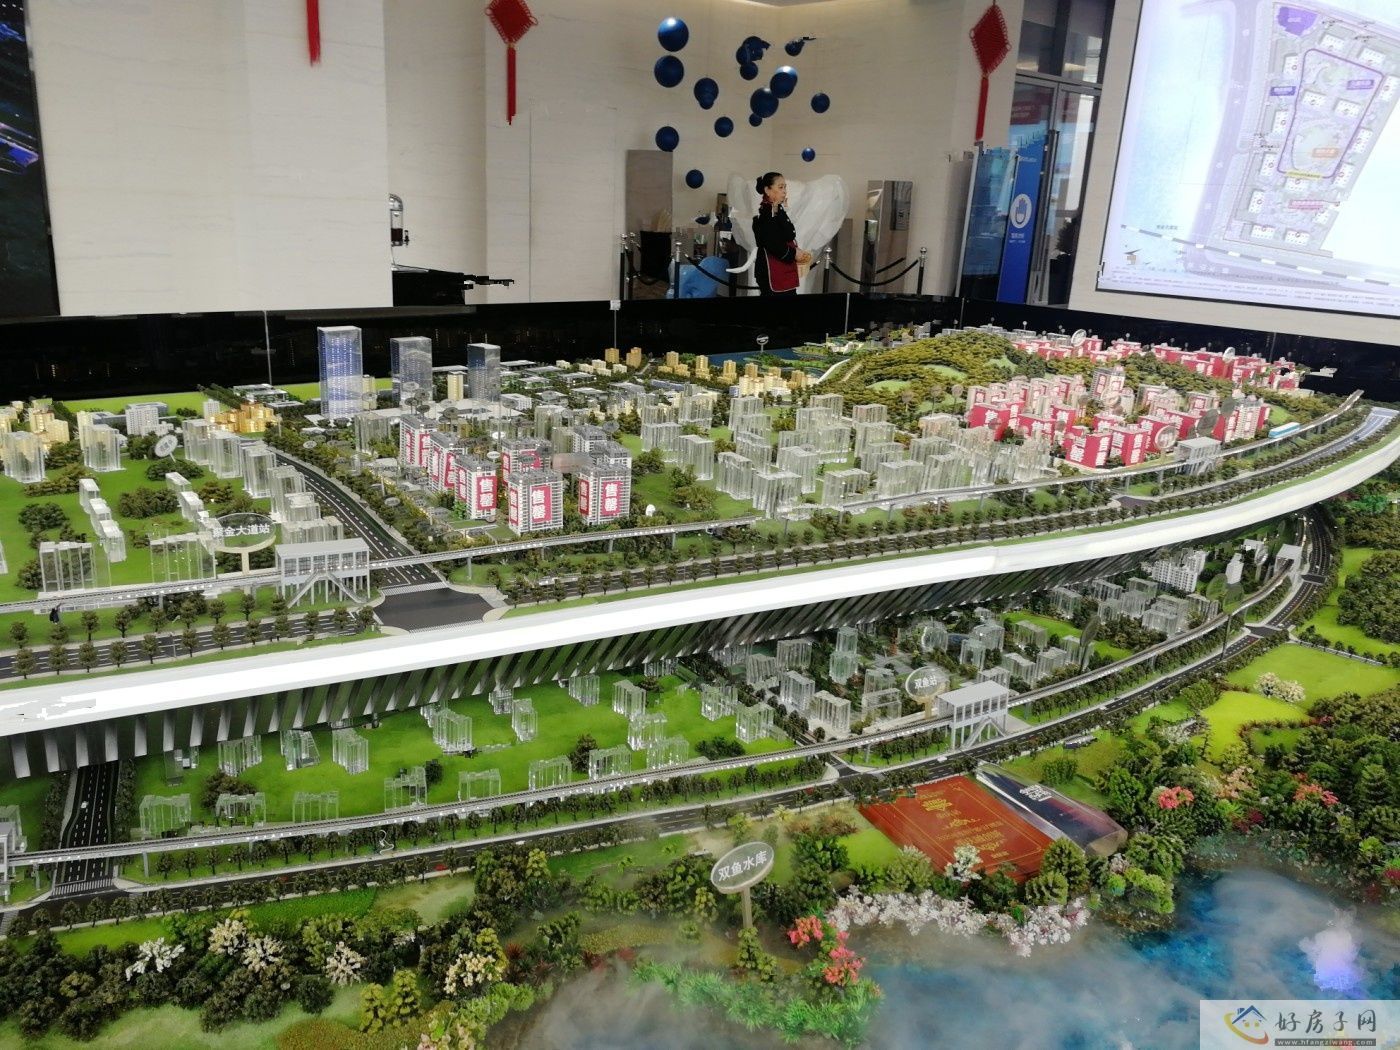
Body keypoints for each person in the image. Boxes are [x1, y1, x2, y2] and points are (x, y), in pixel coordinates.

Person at [752, 172, 812, 295]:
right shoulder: (766, 211)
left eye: (785, 187)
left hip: (783, 268)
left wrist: (796, 250)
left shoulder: (776, 208)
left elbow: (788, 233)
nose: (784, 191)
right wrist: (794, 253)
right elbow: (773, 242)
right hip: (772, 270)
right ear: (767, 190)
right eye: (780, 187)